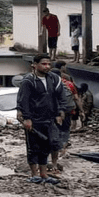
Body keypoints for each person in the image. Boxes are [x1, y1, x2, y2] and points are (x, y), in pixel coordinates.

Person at [15, 54, 69, 185]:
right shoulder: (29, 81)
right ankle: (34, 174)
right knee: (33, 147)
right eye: (44, 64)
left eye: (49, 64)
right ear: (34, 65)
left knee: (47, 146)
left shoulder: (54, 79)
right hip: (34, 119)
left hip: (49, 118)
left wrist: (60, 112)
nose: (47, 67)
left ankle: (44, 174)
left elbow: (61, 96)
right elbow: (24, 100)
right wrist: (27, 118)